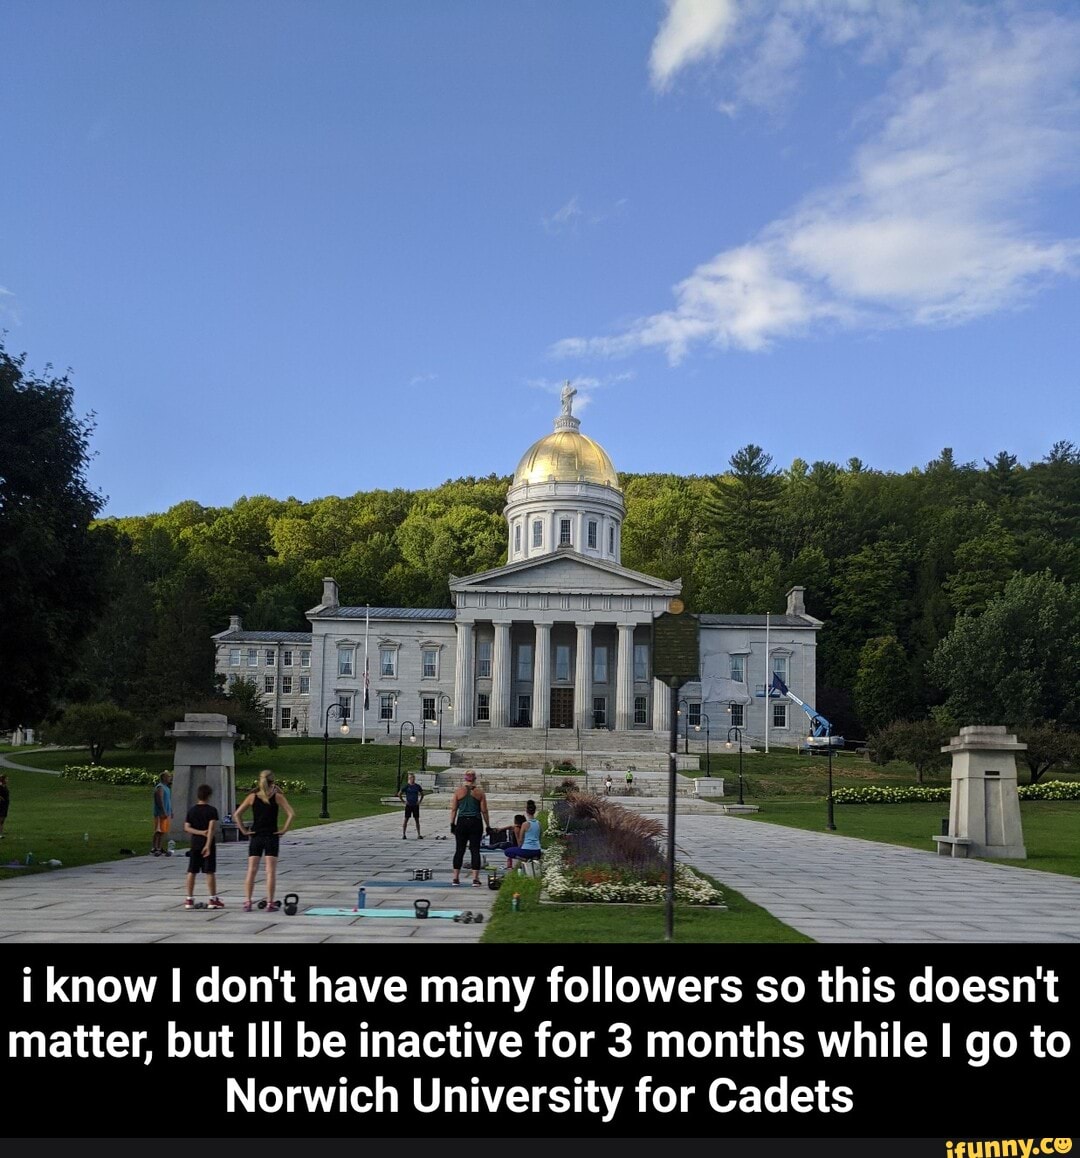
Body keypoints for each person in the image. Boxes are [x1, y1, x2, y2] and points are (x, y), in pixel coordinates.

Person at [234, 769, 295, 912]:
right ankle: (270, 902)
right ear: (273, 781)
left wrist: (243, 830)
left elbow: (237, 814)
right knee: (270, 871)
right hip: (271, 835)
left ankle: (248, 901)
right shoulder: (277, 796)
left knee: (251, 870)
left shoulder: (252, 797)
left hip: (256, 836)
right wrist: (284, 829)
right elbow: (291, 814)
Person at [183, 783, 223, 909]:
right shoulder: (212, 810)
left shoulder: (192, 810)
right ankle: (212, 899)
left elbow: (187, 828)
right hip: (208, 843)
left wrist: (199, 832)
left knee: (192, 870)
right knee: (209, 871)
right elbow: (211, 829)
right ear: (209, 796)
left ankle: (189, 899)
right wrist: (207, 844)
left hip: (195, 843)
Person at [448, 770, 490, 887]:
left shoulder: (458, 791)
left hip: (461, 822)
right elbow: (484, 811)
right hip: (475, 822)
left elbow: (454, 810)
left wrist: (452, 824)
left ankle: (455, 878)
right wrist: (488, 825)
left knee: (459, 850)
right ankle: (475, 879)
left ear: (465, 779)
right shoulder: (480, 792)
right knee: (475, 850)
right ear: (475, 779)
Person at [503, 799, 542, 874]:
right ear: (534, 811)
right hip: (537, 851)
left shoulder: (525, 824)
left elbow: (521, 840)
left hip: (526, 850)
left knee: (507, 851)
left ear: (526, 811)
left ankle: (524, 859)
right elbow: (539, 838)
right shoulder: (539, 824)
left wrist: (520, 847)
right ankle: (533, 858)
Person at [398, 772, 425, 840]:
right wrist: (404, 801)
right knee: (406, 819)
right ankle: (404, 834)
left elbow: (422, 794)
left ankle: (419, 834)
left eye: (413, 778)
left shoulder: (417, 786)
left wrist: (419, 801)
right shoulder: (406, 786)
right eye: (410, 778)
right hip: (409, 805)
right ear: (409, 779)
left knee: (417, 819)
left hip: (415, 805)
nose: (412, 779)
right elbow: (399, 794)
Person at [151, 771, 173, 856]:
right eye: (168, 776)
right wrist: (162, 811)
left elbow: (168, 801)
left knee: (163, 831)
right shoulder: (160, 787)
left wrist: (170, 811)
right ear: (164, 778)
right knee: (158, 830)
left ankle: (160, 847)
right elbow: (159, 800)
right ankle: (154, 847)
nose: (170, 778)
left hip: (166, 812)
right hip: (160, 813)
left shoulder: (167, 787)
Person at [0, 774, 9, 838]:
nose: (7, 780)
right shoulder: (0, 787)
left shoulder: (5, 786)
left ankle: (1, 834)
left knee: (3, 820)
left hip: (5, 804)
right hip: (1, 804)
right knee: (0, 819)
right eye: (6, 779)